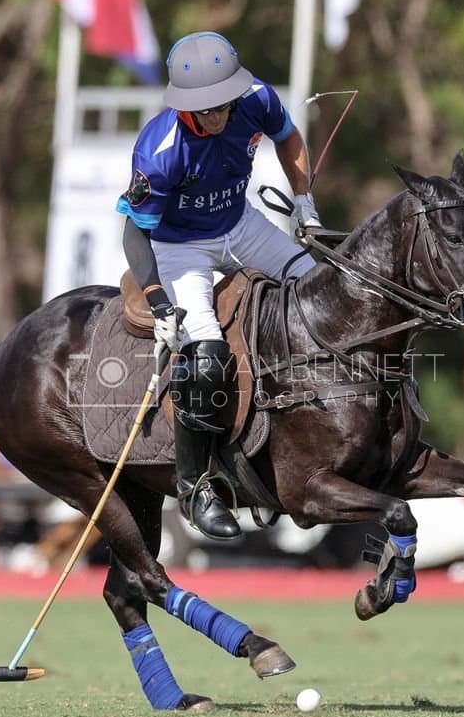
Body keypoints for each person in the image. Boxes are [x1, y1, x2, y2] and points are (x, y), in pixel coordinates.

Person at [116, 31, 322, 540]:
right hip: (179, 247)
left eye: (224, 103)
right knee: (206, 355)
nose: (219, 115)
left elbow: (288, 137)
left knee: (321, 296)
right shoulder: (160, 149)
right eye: (207, 109)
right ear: (185, 107)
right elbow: (134, 230)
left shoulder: (254, 100)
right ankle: (196, 487)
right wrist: (159, 300)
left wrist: (304, 202)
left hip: (243, 226)